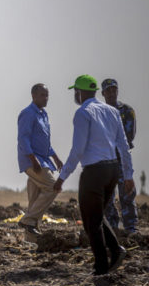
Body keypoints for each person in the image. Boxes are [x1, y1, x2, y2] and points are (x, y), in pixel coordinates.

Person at [54, 75, 133, 275]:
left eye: (75, 92)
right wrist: (129, 174)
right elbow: (123, 146)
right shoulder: (112, 111)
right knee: (96, 216)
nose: (75, 96)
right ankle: (116, 251)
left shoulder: (83, 113)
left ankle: (102, 266)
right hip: (113, 170)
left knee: (91, 222)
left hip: (94, 172)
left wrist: (62, 176)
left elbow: (78, 149)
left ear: (80, 92)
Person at [16, 83, 64, 236]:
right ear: (33, 96)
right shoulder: (28, 113)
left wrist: (56, 158)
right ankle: (27, 220)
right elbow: (23, 139)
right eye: (42, 95)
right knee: (53, 187)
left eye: (47, 95)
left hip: (44, 159)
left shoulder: (43, 114)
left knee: (35, 198)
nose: (46, 98)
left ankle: (31, 239)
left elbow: (44, 141)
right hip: (33, 161)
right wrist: (33, 160)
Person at [101, 78, 138, 234]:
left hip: (122, 159)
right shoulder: (99, 112)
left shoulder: (127, 111)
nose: (111, 93)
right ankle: (112, 227)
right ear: (103, 93)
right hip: (106, 160)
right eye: (108, 90)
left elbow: (130, 136)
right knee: (107, 197)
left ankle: (131, 228)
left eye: (114, 90)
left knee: (127, 195)